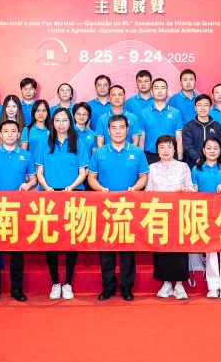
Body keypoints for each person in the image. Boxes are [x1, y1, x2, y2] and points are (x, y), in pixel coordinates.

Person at [88, 114, 149, 302]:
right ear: (108, 131)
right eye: (114, 128)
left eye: (121, 128)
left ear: (127, 130)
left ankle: (126, 287)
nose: (118, 131)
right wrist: (101, 189)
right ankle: (108, 287)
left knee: (127, 249)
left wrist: (135, 188)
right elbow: (91, 178)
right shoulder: (99, 153)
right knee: (106, 248)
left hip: (129, 208)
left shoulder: (137, 152)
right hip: (105, 207)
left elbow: (144, 177)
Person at [35, 108, 89, 300]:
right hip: (50, 195)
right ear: (53, 122)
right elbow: (39, 171)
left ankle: (67, 283)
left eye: (64, 120)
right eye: (57, 120)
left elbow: (83, 172)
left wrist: (72, 187)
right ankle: (55, 283)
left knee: (70, 239)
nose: (61, 124)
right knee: (51, 240)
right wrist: (46, 187)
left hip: (72, 194)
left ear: (70, 122)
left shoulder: (79, 143)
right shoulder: (44, 143)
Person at [0, 120, 37, 303]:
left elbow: (33, 179)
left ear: (19, 134)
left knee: (17, 252)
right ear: (0, 134)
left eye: (13, 131)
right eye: (6, 131)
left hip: (18, 210)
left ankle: (16, 289)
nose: (10, 134)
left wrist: (28, 184)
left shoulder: (26, 155)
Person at [145, 135, 195, 300]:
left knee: (179, 248)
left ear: (174, 149)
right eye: (162, 147)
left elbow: (192, 189)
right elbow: (148, 192)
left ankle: (179, 285)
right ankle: (166, 283)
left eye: (169, 146)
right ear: (157, 150)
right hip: (159, 214)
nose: (166, 150)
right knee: (162, 249)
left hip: (179, 214)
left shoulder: (183, 167)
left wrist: (185, 190)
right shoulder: (152, 168)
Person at [191, 137, 221, 299]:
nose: (212, 151)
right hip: (206, 213)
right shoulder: (196, 169)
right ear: (203, 150)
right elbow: (194, 192)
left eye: (215, 148)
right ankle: (213, 286)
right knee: (210, 250)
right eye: (209, 148)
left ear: (220, 150)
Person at [138, 78, 184, 164]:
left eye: (162, 88)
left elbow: (179, 138)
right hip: (150, 157)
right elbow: (141, 139)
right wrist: (141, 160)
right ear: (152, 92)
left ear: (167, 92)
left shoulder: (175, 112)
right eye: (156, 88)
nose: (159, 91)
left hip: (171, 156)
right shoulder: (144, 113)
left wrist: (180, 160)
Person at [182, 94, 221, 168]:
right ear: (195, 108)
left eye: (206, 105)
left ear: (210, 108)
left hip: (214, 166)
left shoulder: (218, 126)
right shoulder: (188, 126)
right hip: (194, 165)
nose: (202, 108)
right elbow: (187, 147)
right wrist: (199, 160)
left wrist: (212, 161)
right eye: (199, 105)